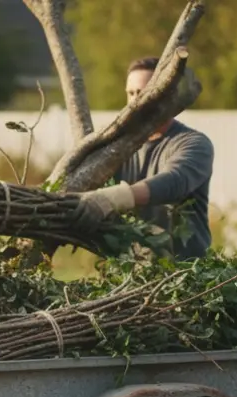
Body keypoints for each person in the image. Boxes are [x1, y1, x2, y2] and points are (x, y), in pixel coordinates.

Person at [73, 56, 215, 260]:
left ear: (167, 95)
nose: (135, 100)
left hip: (186, 273)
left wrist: (113, 198)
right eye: (131, 93)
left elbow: (173, 181)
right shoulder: (113, 147)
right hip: (129, 272)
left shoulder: (193, 144)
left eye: (142, 92)